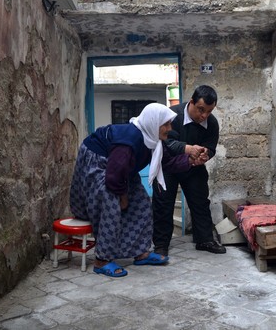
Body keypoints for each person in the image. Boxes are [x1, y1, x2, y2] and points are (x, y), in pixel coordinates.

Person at [69, 103, 198, 278]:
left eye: (170, 124)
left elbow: (166, 163)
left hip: (120, 168)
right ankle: (102, 260)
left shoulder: (153, 140)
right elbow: (113, 178)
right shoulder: (130, 140)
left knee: (142, 202)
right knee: (110, 203)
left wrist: (190, 161)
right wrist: (123, 197)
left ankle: (141, 252)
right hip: (98, 162)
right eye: (166, 124)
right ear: (154, 123)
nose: (170, 128)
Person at [152, 85, 226, 255]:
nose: (204, 116)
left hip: (194, 168)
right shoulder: (171, 116)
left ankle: (205, 239)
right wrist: (188, 149)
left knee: (200, 202)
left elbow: (211, 147)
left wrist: (206, 155)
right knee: (163, 204)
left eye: (209, 111)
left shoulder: (212, 123)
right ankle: (161, 244)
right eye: (201, 110)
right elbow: (166, 143)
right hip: (168, 167)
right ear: (191, 102)